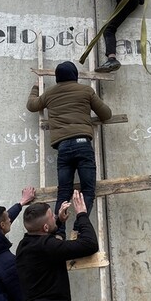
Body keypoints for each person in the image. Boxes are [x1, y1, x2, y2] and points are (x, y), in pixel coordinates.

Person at [26, 61, 111, 218]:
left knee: (63, 192)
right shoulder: (86, 91)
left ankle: (59, 232)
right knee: (88, 190)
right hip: (83, 145)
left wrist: (36, 87)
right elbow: (106, 114)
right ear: (75, 75)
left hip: (63, 147)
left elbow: (32, 105)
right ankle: (79, 228)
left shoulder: (50, 93)